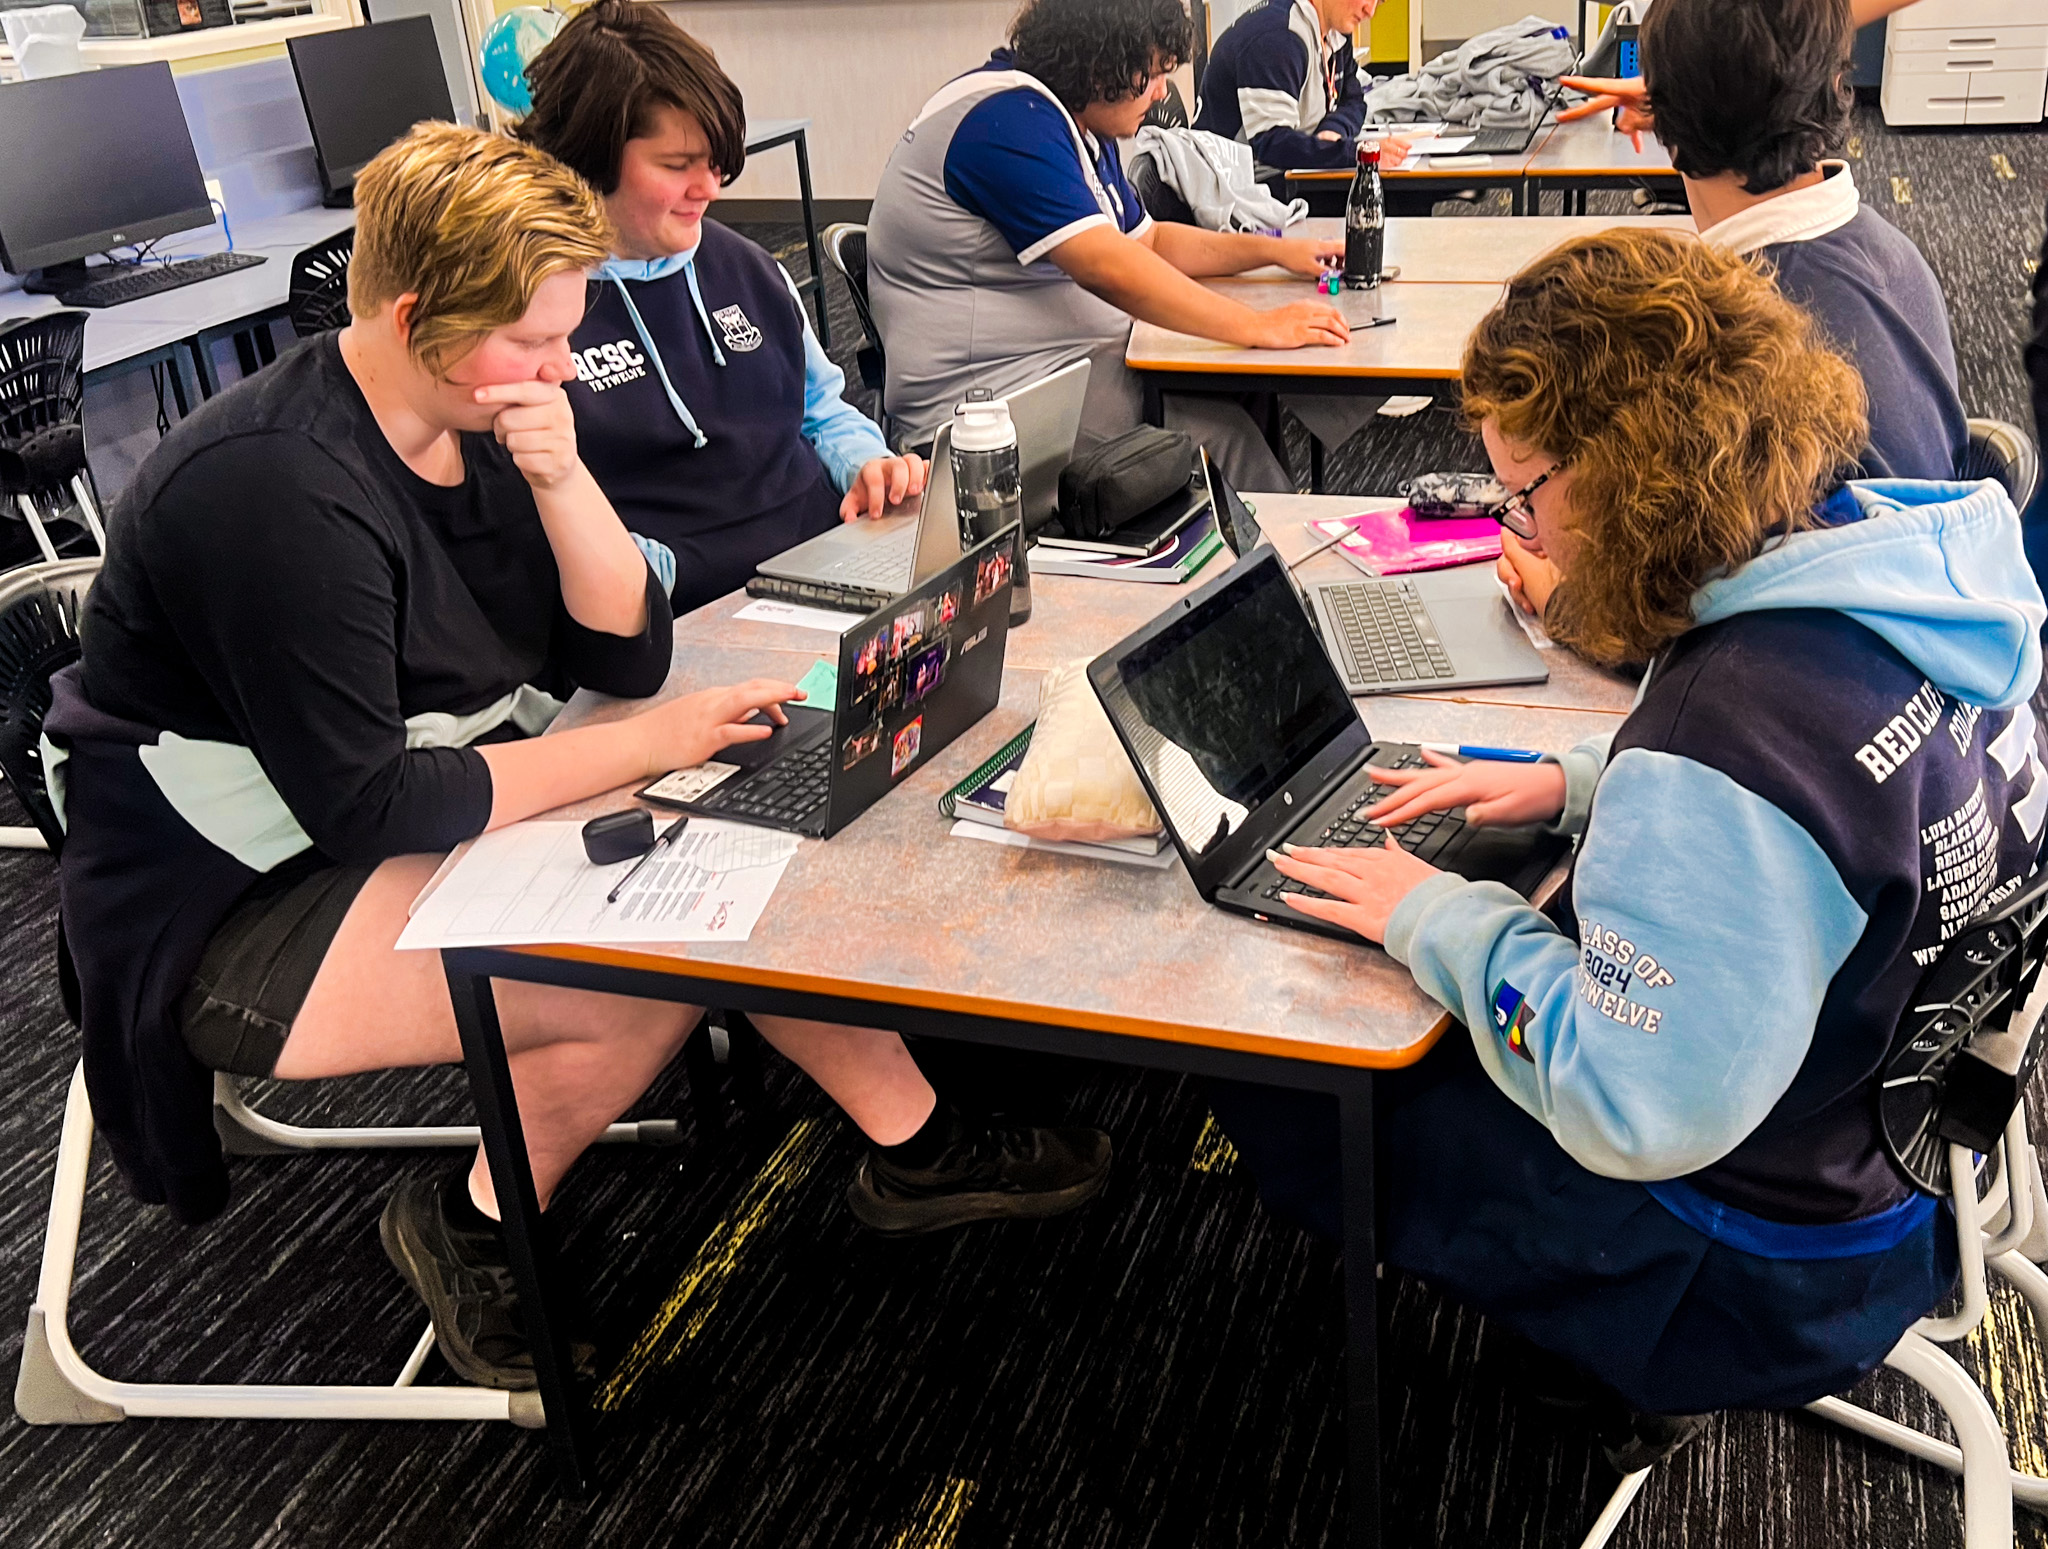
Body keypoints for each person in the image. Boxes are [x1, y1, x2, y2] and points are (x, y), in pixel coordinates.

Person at [45, 124, 1110, 1392]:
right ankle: (471, 1222)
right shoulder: (272, 489)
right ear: (412, 317)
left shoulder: (479, 411)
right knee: (639, 964)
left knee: (734, 839)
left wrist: (561, 483)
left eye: (567, 332)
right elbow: (376, 805)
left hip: (385, 796)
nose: (562, 367)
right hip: (231, 902)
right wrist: (651, 747)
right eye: (535, 341)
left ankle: (912, 1140)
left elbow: (626, 651)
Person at [1209, 229, 2046, 1424]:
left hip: (1749, 1263)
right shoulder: (1905, 567)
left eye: (1524, 495)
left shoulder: (1720, 742)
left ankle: (1606, 1371)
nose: (1525, 533)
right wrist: (1579, 785)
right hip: (1881, 1142)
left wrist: (1439, 917)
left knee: (1295, 1081)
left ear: (1628, 476)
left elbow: (1625, 1106)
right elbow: (1845, 788)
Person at [515, 1, 925, 616]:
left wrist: (868, 465)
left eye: (714, 164)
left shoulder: (752, 269)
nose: (709, 189)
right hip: (684, 606)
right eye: (677, 166)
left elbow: (821, 410)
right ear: (591, 155)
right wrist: (643, 587)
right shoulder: (536, 314)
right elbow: (539, 520)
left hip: (830, 560)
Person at [866, 0, 1357, 493]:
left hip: (1065, 364)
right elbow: (1107, 266)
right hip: (988, 412)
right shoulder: (1005, 122)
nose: (1162, 92)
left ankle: (1273, 525)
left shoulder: (1069, 119)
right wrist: (1257, 325)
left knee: (1245, 388)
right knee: (1223, 441)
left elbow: (1152, 240)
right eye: (1153, 73)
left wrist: (1274, 251)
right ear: (1101, 63)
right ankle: (1271, 534)